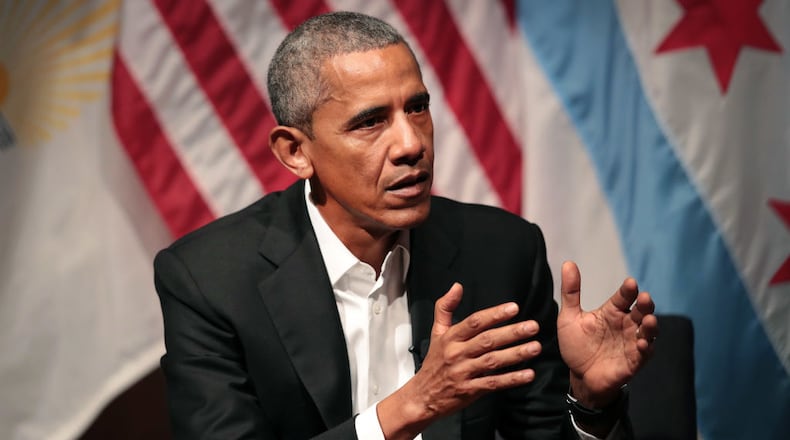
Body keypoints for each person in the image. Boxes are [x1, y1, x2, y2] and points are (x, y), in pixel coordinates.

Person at [153, 11, 658, 440]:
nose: (411, 144)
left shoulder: (501, 250)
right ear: (295, 151)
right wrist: (409, 406)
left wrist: (591, 400)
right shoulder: (210, 279)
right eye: (370, 121)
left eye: (417, 108)